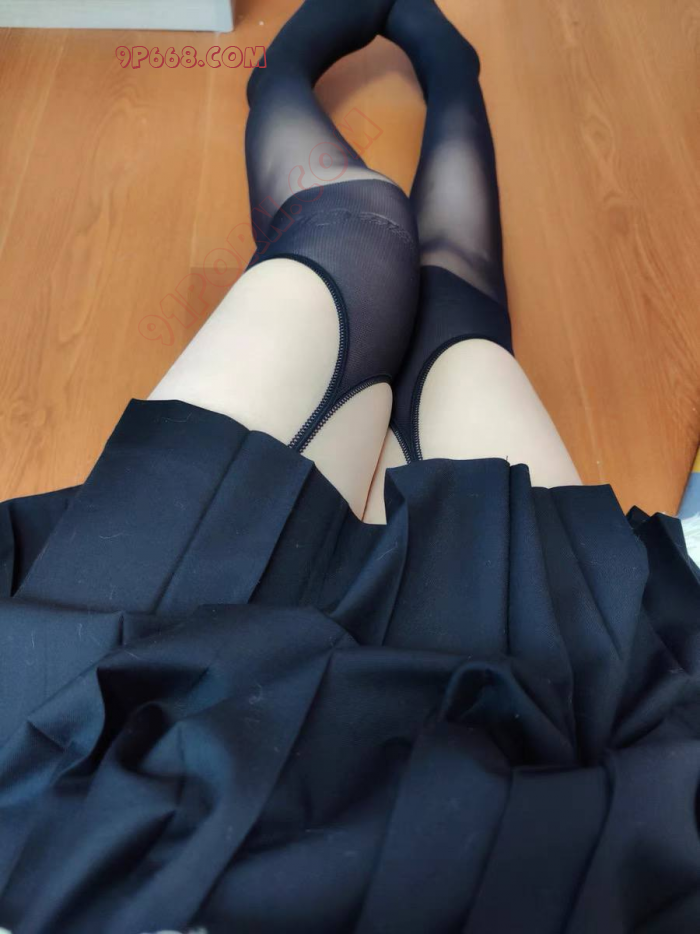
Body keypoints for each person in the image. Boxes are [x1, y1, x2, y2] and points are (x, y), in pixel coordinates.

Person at [0, 1, 698, 931]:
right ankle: (449, 75)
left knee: (357, 231)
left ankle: (294, 73)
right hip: (535, 741)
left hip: (107, 746)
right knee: (454, 324)